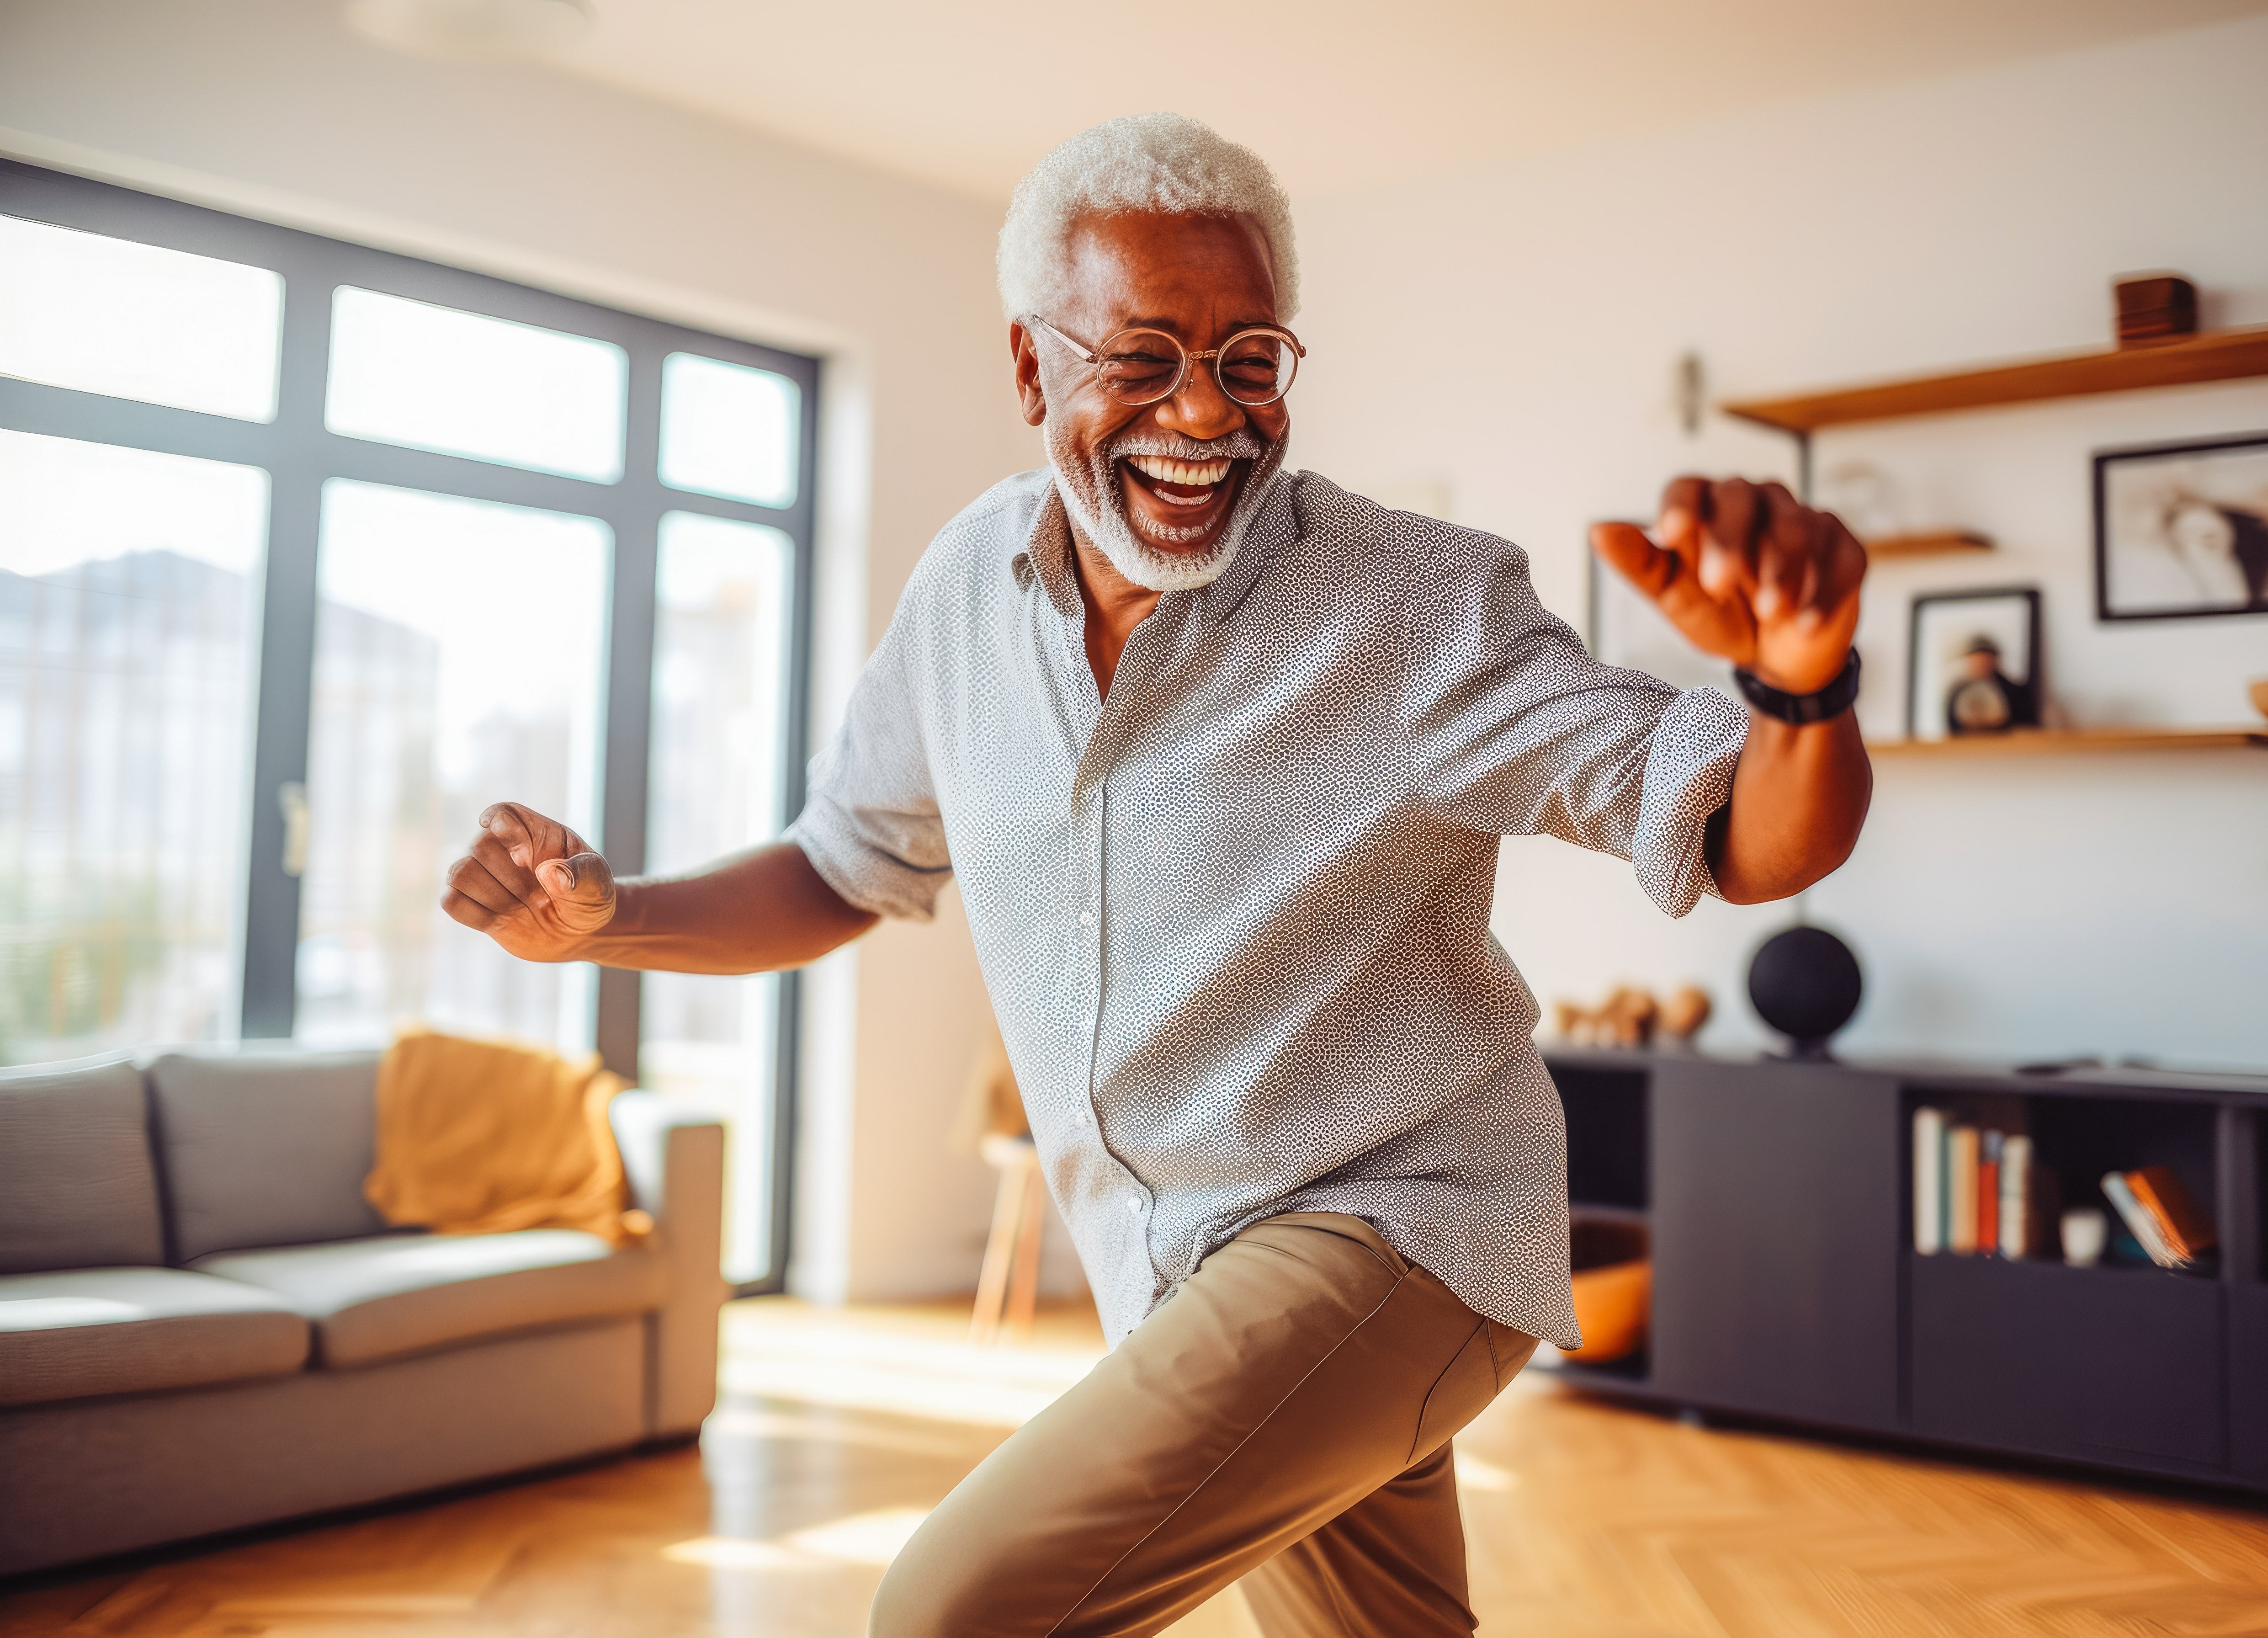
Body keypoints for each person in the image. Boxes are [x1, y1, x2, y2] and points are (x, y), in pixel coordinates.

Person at [441, 114, 1872, 1637]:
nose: (1208, 412)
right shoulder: (962, 599)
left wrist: (1802, 686)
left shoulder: (1409, 605)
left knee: (956, 1612)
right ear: (1030, 368)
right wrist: (611, 923)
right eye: (1143, 358)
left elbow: (1736, 828)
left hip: (1397, 1236)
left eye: (1251, 360)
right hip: (1181, 1272)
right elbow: (841, 867)